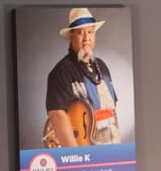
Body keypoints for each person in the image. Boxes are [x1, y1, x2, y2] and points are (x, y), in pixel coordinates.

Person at [44, 8, 123, 147]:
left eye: (90, 32)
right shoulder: (61, 71)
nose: (86, 38)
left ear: (94, 35)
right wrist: (77, 155)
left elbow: (112, 110)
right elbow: (57, 116)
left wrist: (118, 144)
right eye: (81, 33)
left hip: (112, 146)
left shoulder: (102, 67)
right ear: (71, 37)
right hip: (86, 149)